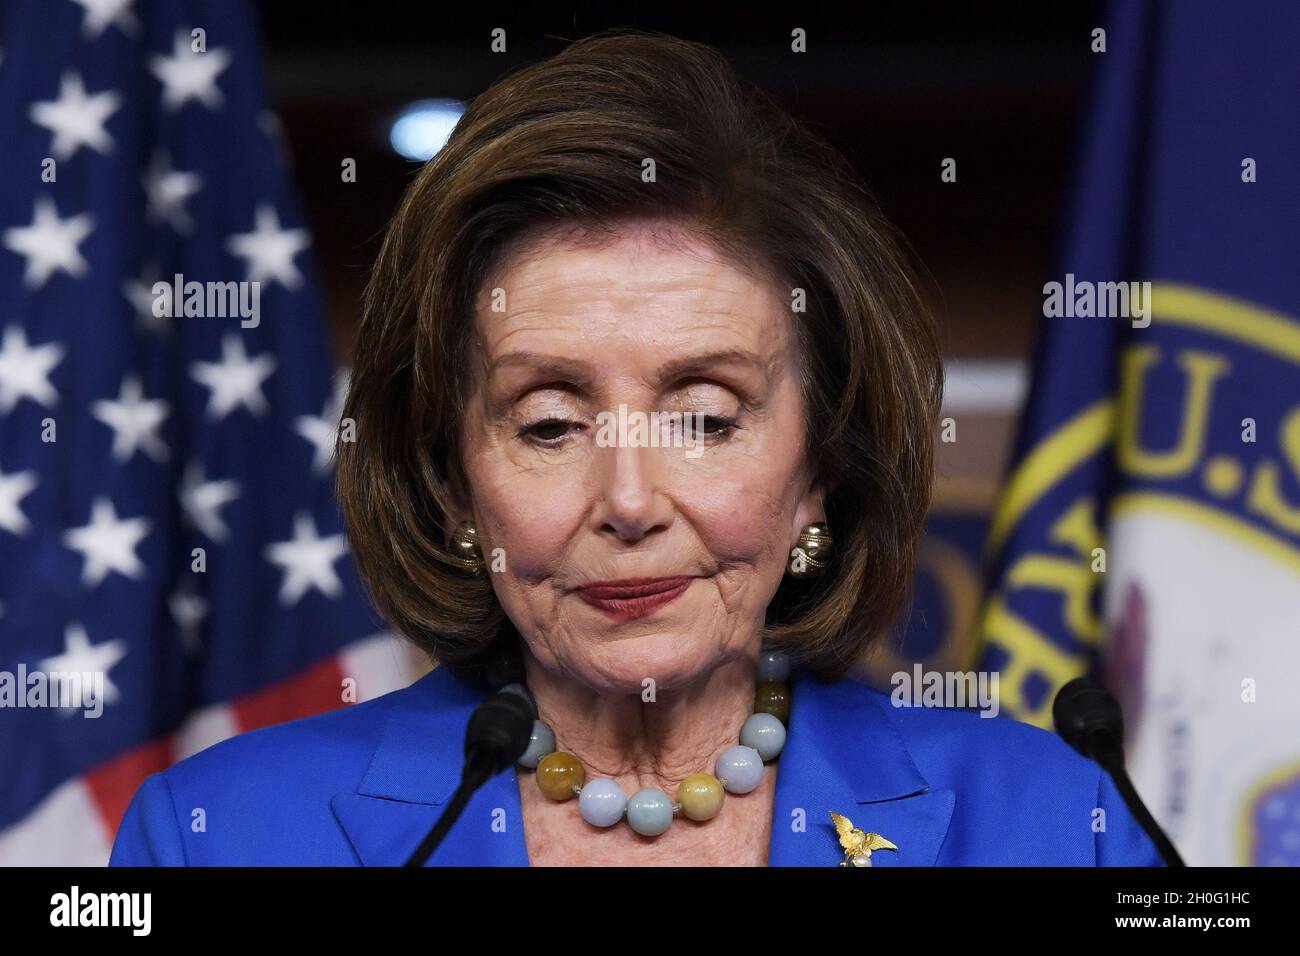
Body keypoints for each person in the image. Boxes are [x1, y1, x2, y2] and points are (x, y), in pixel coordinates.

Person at [110, 30, 1163, 867]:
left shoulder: (1061, 825)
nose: (628, 498)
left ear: (820, 471)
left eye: (705, 417)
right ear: (452, 480)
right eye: (549, 422)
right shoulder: (216, 835)